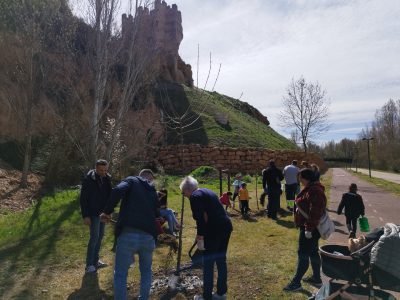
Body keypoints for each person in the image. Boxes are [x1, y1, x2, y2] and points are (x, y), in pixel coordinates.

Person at [100, 169, 159, 300]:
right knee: (146, 271)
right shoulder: (152, 190)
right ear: (150, 179)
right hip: (148, 236)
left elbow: (116, 191)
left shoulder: (132, 180)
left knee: (120, 273)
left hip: (128, 234)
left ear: (139, 176)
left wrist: (107, 212)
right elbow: (157, 214)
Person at [180, 176, 233, 300]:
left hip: (214, 231)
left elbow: (201, 219)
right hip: (226, 227)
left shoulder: (195, 197)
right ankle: (221, 293)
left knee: (208, 264)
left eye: (183, 193)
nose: (185, 196)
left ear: (188, 190)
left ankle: (206, 296)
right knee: (221, 260)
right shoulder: (207, 191)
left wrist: (200, 236)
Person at [283, 168, 326, 292]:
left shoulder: (315, 190)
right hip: (310, 227)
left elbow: (315, 212)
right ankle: (316, 278)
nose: (299, 180)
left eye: (300, 178)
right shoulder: (311, 188)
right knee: (312, 252)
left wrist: (308, 229)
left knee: (303, 254)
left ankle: (296, 283)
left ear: (306, 178)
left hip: (310, 228)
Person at [79, 159, 112, 273]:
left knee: (100, 236)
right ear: (96, 168)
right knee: (94, 237)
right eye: (101, 170)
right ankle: (89, 265)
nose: (103, 172)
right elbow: (83, 199)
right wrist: (85, 216)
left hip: (103, 213)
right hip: (93, 213)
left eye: (105, 170)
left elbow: (109, 196)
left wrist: (108, 212)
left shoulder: (107, 178)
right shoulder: (89, 180)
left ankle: (95, 260)